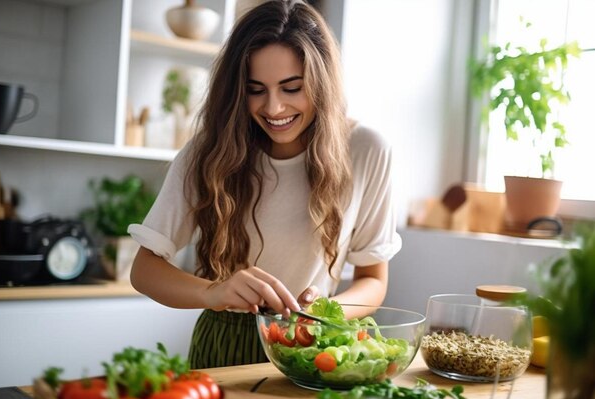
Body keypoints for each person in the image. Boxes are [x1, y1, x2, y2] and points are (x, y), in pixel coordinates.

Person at [128, 0, 401, 369]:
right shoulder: (208, 152)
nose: (273, 108)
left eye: (292, 88)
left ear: (322, 82)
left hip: (316, 340)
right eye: (256, 89)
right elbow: (144, 271)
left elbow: (374, 280)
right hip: (226, 343)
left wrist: (326, 310)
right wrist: (215, 292)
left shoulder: (366, 149)